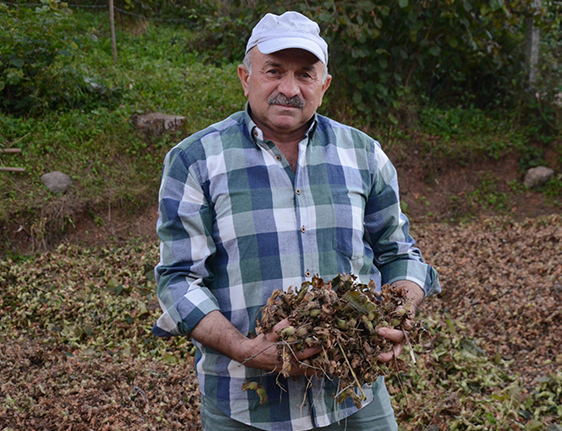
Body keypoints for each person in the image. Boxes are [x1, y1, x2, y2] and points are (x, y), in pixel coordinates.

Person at [152, 10, 440, 431]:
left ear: (323, 86)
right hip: (244, 402)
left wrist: (399, 315)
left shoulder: (364, 155)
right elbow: (178, 279)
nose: (289, 88)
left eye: (305, 75)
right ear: (244, 77)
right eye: (274, 71)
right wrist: (246, 348)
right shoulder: (195, 160)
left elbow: (400, 253)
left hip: (352, 394)